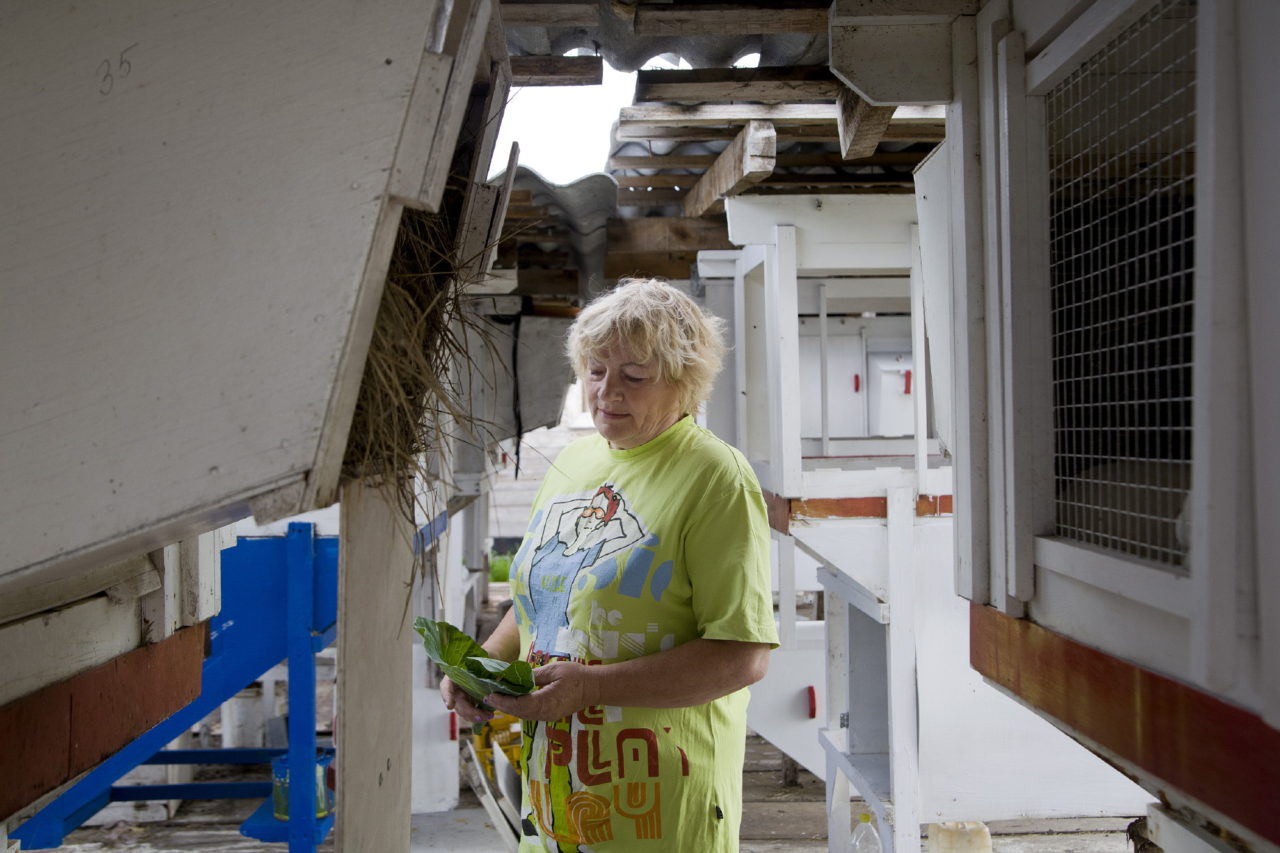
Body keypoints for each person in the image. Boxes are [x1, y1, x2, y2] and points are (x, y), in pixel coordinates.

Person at [441, 278, 778, 852]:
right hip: (556, 801)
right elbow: (542, 600)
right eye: (595, 371)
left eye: (634, 376)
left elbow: (742, 656)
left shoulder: (714, 476)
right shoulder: (573, 463)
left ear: (684, 381)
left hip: (659, 806)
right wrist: (483, 663)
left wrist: (591, 688)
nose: (607, 391)